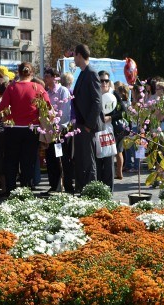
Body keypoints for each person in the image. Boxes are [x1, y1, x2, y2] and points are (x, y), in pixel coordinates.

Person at [0, 61, 50, 193]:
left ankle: (10, 189)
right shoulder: (38, 87)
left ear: (19, 73)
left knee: (11, 160)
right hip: (32, 129)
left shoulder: (11, 87)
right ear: (32, 73)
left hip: (13, 129)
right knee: (29, 161)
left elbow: (3, 108)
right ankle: (26, 190)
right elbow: (48, 108)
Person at [71, 43, 102, 193]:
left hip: (86, 125)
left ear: (79, 55)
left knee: (88, 161)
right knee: (81, 160)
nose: (73, 59)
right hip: (80, 124)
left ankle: (91, 191)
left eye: (74, 55)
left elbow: (97, 101)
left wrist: (89, 125)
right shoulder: (83, 73)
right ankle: (82, 189)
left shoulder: (91, 73)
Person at [43, 67, 72, 192]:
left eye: (47, 76)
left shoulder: (62, 91)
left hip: (60, 131)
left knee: (62, 159)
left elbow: (64, 112)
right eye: (45, 76)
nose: (45, 78)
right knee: (51, 159)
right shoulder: (47, 93)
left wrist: (58, 127)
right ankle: (54, 186)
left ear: (55, 77)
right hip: (50, 131)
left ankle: (67, 186)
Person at [95, 70, 116, 188]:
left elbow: (123, 112)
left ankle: (109, 189)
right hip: (96, 131)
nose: (104, 83)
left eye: (106, 80)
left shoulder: (113, 94)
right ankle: (99, 188)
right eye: (101, 80)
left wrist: (110, 117)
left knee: (108, 160)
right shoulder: (95, 93)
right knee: (97, 161)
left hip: (109, 131)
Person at [111, 83, 129, 181]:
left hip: (115, 127)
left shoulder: (115, 102)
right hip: (122, 128)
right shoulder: (127, 102)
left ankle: (115, 172)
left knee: (113, 152)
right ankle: (120, 172)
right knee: (119, 151)